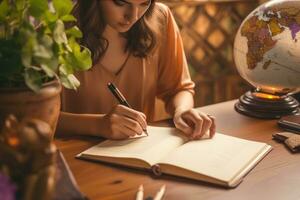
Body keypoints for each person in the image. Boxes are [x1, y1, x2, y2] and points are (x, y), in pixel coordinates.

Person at [57, 0, 216, 140]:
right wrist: (97, 125)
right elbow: (36, 117)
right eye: (120, 2)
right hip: (75, 159)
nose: (133, 16)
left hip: (139, 154)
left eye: (144, 3)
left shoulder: (160, 18)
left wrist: (182, 110)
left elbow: (178, 89)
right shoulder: (54, 34)